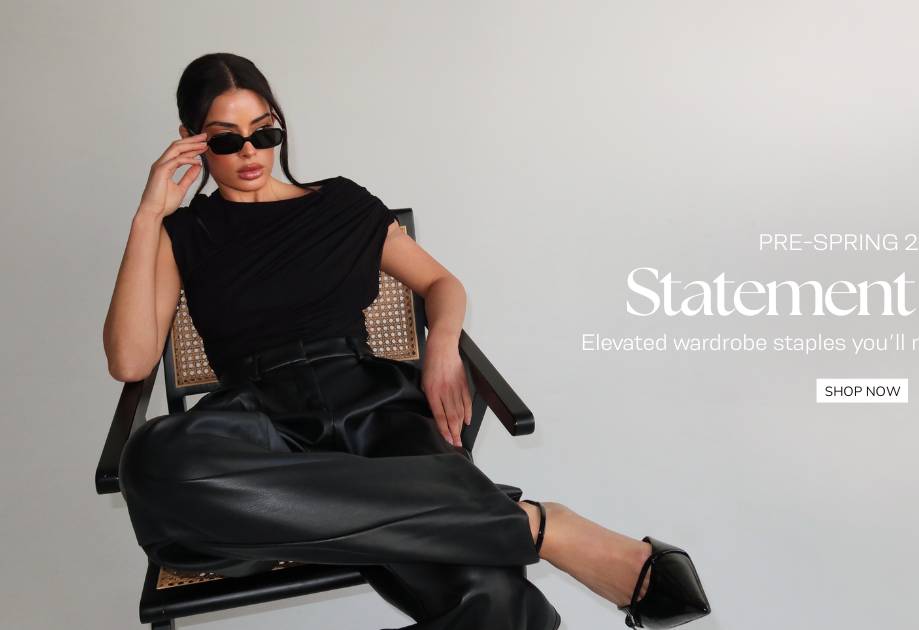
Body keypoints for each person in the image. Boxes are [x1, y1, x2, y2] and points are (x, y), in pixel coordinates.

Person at [101, 52, 710, 629]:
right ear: (190, 139)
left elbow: (441, 283)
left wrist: (441, 346)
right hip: (261, 430)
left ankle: (414, 515)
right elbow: (130, 360)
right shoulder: (184, 232)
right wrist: (148, 214)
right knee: (154, 461)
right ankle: (532, 525)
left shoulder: (340, 204)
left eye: (265, 132)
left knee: (495, 605)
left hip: (374, 411)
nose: (250, 152)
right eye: (225, 138)